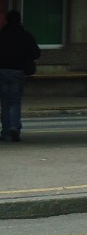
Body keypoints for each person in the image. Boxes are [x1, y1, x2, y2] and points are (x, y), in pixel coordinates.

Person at [0, 9, 41, 142]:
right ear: (19, 20)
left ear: (6, 20)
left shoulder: (1, 34)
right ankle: (15, 127)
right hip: (18, 71)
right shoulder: (26, 35)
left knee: (5, 103)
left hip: (2, 70)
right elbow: (36, 53)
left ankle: (5, 132)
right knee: (15, 101)